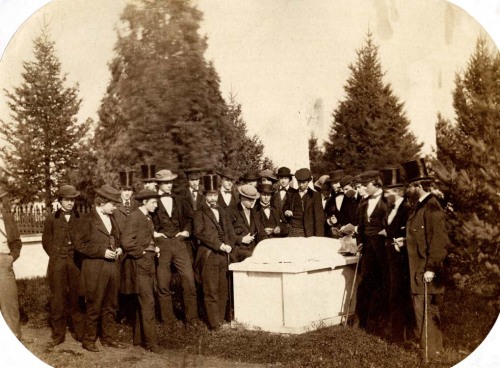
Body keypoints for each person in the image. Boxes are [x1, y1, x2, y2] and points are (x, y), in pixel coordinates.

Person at [402, 158, 448, 362]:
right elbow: (420, 237)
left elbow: (439, 240)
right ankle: (435, 351)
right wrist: (404, 241)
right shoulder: (420, 206)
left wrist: (431, 267)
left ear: (418, 186)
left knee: (424, 313)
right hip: (420, 269)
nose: (407, 189)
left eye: (410, 185)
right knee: (428, 312)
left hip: (425, 271)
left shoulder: (431, 207)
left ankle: (427, 354)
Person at [78, 185, 125, 352]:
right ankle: (88, 340)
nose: (115, 207)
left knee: (111, 305)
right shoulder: (87, 219)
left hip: (112, 268)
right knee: (94, 304)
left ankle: (108, 338)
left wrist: (119, 248)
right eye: (113, 204)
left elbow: (116, 238)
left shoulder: (112, 219)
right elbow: (80, 245)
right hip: (95, 269)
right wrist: (101, 252)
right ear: (102, 202)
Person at [152, 169, 199, 327]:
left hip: (179, 243)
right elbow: (146, 219)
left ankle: (191, 319)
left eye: (170, 182)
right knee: (163, 283)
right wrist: (155, 234)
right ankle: (168, 321)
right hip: (162, 244)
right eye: (165, 183)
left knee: (189, 280)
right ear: (158, 184)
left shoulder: (179, 199)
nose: (169, 185)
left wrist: (185, 232)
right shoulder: (152, 200)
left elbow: (190, 218)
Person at [42, 185, 85, 348]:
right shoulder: (51, 218)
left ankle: (79, 333)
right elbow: (46, 241)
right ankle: (58, 334)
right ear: (60, 201)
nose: (70, 203)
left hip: (75, 263)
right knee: (58, 298)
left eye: (72, 200)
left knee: (77, 297)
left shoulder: (80, 217)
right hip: (58, 263)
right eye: (67, 200)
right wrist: (56, 254)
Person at [121, 189, 163, 354]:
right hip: (140, 265)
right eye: (153, 202)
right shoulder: (134, 217)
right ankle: (152, 344)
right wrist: (142, 252)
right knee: (148, 302)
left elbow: (145, 238)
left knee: (143, 302)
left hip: (149, 263)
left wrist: (154, 247)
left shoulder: (147, 217)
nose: (156, 205)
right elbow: (126, 241)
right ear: (145, 202)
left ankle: (139, 339)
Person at [193, 174, 236, 330]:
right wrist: (219, 245)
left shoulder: (222, 211)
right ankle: (214, 323)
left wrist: (229, 244)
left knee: (223, 288)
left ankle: (220, 320)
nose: (213, 198)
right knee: (211, 289)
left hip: (224, 255)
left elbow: (230, 231)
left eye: (215, 195)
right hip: (209, 255)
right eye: (210, 195)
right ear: (204, 195)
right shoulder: (199, 212)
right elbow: (201, 233)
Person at [380, 167, 414, 344]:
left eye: (387, 192)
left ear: (397, 192)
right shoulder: (391, 208)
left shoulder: (406, 209)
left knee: (400, 297)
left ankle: (401, 337)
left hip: (402, 261)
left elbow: (410, 234)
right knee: (395, 296)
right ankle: (399, 335)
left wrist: (400, 240)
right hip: (392, 259)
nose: (384, 195)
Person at [354, 170, 390, 331]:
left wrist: (387, 233)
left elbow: (393, 224)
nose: (363, 187)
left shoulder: (387, 200)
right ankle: (361, 321)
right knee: (364, 283)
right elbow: (361, 226)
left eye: (366, 184)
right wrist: (360, 241)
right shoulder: (364, 202)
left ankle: (381, 321)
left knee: (382, 283)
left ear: (376, 184)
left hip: (383, 248)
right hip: (368, 248)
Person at [114, 170, 139, 325]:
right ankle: (119, 314)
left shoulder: (137, 205)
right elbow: (113, 228)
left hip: (134, 249)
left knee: (133, 282)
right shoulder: (115, 206)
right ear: (120, 190)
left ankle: (132, 315)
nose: (127, 193)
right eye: (125, 190)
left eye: (130, 190)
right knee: (120, 283)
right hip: (120, 250)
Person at [0, 183, 22, 340]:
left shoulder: (7, 219)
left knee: (10, 304)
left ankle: (13, 339)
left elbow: (16, 242)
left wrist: (11, 258)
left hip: (3, 262)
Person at [283, 168, 324, 237]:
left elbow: (319, 220)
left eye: (303, 182)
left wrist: (318, 239)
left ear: (309, 181)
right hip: (292, 231)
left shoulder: (315, 196)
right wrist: (286, 212)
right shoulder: (292, 194)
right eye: (299, 182)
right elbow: (284, 209)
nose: (301, 185)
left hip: (307, 233)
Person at [232, 184, 267, 262]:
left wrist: (266, 244)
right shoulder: (231, 211)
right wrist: (241, 239)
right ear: (242, 197)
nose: (252, 202)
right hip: (237, 251)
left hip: (253, 251)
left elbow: (261, 233)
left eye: (253, 199)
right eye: (250, 199)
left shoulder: (255, 213)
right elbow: (226, 233)